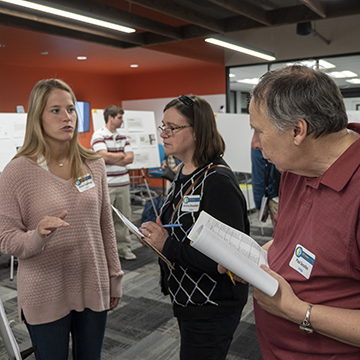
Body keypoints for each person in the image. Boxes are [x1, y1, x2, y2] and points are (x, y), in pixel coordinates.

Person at [222, 64, 360, 359]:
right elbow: (292, 239)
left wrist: (297, 311)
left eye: (259, 131)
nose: (254, 144)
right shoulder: (296, 166)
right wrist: (250, 259)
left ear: (298, 130)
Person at [0, 79, 123, 360]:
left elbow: (106, 224)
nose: (67, 117)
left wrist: (114, 276)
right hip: (45, 289)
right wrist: (37, 235)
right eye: (55, 110)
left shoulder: (94, 163)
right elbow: (5, 237)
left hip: (92, 282)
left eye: (70, 109)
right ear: (37, 118)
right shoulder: (17, 171)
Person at [140, 95, 249, 360]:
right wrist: (159, 239)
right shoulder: (183, 171)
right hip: (188, 296)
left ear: (197, 132)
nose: (164, 134)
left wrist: (167, 245)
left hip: (212, 303)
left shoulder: (217, 181)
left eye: (172, 127)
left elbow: (230, 259)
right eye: (162, 126)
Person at [91, 106, 136, 260]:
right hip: (107, 185)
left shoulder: (123, 137)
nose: (122, 121)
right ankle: (105, 253)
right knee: (105, 220)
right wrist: (121, 155)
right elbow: (103, 157)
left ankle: (124, 249)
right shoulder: (98, 135)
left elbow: (130, 158)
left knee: (124, 218)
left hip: (123, 183)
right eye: (119, 117)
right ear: (110, 117)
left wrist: (113, 157)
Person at [251, 147, 280, 226]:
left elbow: (259, 174)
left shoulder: (259, 142)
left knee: (281, 234)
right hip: (297, 193)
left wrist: (259, 205)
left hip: (276, 197)